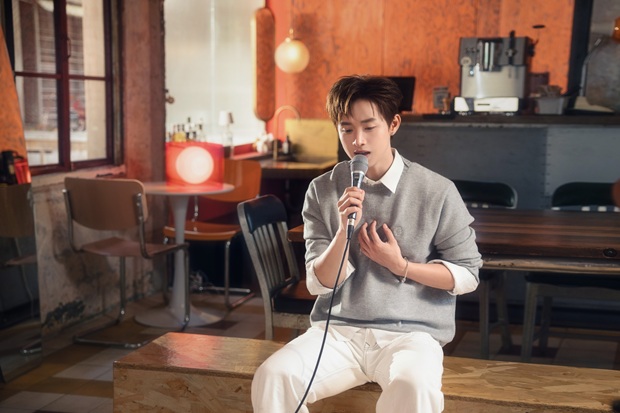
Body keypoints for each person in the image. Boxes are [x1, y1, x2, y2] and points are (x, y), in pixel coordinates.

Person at [251, 75, 482, 413]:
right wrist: (343, 232)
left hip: (410, 336)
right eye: (346, 129)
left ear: (393, 124)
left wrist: (400, 266)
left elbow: (467, 275)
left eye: (369, 127)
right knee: (273, 376)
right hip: (339, 332)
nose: (357, 140)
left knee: (414, 388)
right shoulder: (322, 189)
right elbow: (319, 283)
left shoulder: (437, 190)